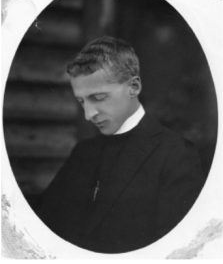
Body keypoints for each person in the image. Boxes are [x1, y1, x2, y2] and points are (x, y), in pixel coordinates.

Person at [39, 36, 205, 253]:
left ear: (133, 87)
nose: (89, 115)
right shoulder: (83, 152)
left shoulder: (176, 155)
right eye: (81, 102)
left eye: (98, 98)